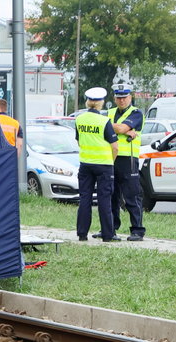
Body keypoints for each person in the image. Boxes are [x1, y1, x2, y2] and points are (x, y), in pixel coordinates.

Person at [75, 87, 120, 242]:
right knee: (104, 200)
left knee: (85, 199)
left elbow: (79, 141)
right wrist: (111, 161)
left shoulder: (79, 119)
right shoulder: (104, 121)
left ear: (88, 102)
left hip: (85, 164)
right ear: (101, 102)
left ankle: (82, 234)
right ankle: (107, 235)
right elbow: (115, 146)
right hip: (104, 165)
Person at [102, 83, 145, 241]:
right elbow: (107, 129)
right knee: (112, 195)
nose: (121, 100)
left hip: (129, 159)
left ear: (130, 97)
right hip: (111, 158)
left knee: (132, 196)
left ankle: (137, 230)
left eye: (124, 97)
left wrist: (112, 127)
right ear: (114, 98)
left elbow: (117, 130)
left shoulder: (136, 113)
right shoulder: (110, 112)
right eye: (119, 97)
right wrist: (122, 128)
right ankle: (110, 229)